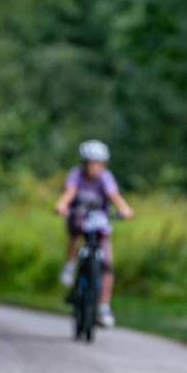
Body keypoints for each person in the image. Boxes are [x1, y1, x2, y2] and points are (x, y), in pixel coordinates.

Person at [54, 140, 133, 327]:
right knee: (74, 233)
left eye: (97, 163)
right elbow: (69, 192)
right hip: (79, 217)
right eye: (90, 162)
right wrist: (62, 204)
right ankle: (69, 265)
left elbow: (114, 196)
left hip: (99, 222)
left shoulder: (105, 178)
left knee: (107, 264)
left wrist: (124, 209)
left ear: (103, 164)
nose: (93, 167)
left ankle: (103, 307)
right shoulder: (76, 175)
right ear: (83, 163)